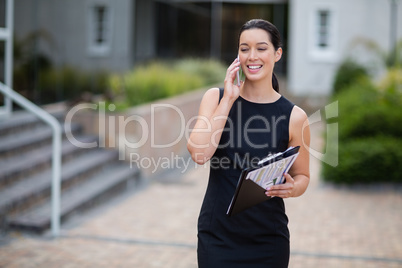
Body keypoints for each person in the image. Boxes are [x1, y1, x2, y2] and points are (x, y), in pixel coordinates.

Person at [187, 19, 310, 267]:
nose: (252, 56)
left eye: (261, 48)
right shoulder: (216, 98)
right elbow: (199, 154)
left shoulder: (295, 116)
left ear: (277, 54)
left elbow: (303, 176)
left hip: (268, 241)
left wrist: (293, 188)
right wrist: (229, 99)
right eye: (244, 49)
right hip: (217, 237)